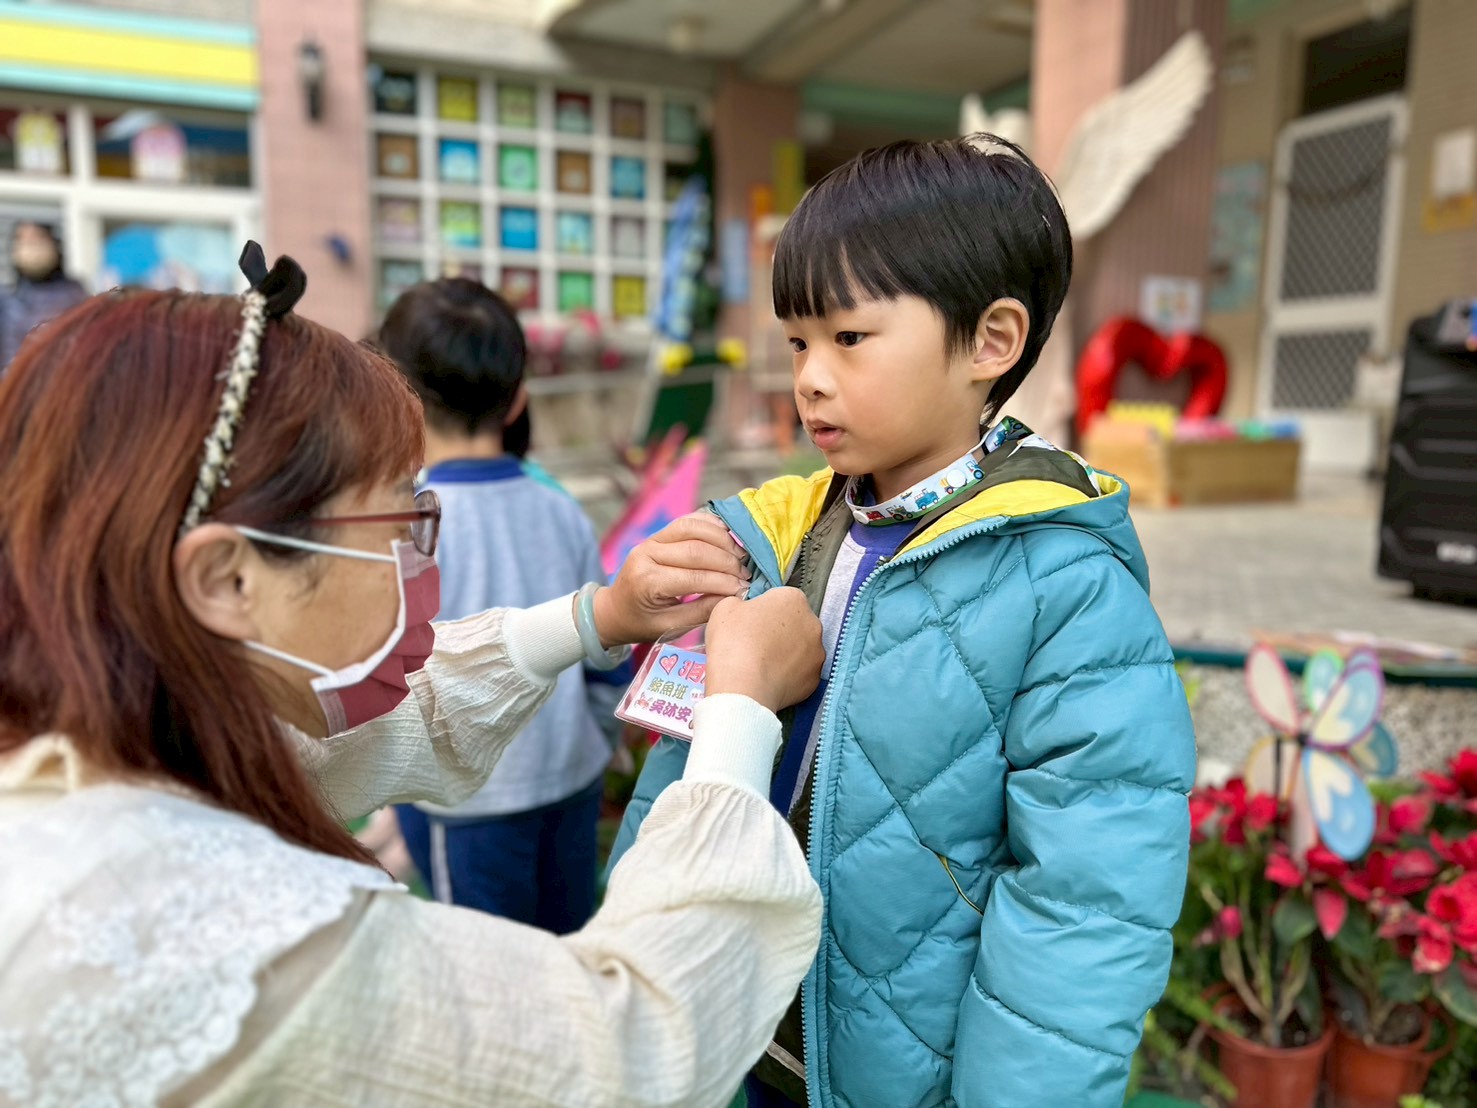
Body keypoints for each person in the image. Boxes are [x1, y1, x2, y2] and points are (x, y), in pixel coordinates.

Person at [0, 244, 828, 1106]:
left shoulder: (115, 743)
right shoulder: (216, 930)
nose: (421, 564)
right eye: (400, 523)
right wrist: (739, 707)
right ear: (226, 580)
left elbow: (367, 728)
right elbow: (630, 1052)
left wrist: (599, 617)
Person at [609, 137, 1198, 1107]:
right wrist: (641, 596)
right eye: (797, 343)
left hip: (899, 1078)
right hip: (736, 1026)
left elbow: (1084, 902)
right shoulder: (782, 530)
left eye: (848, 337)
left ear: (990, 342)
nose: (809, 377)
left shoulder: (1065, 583)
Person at [378, 278, 626, 930]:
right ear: (518, 398)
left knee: (487, 969)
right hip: (570, 784)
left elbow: (381, 678)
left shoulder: (404, 525)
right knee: (566, 954)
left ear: (397, 398)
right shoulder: (561, 511)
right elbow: (607, 649)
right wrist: (593, 742)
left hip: (464, 806)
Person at [0, 220, 87, 371]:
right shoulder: (7, 302)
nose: (30, 247)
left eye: (37, 238)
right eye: (22, 241)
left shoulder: (77, 298)